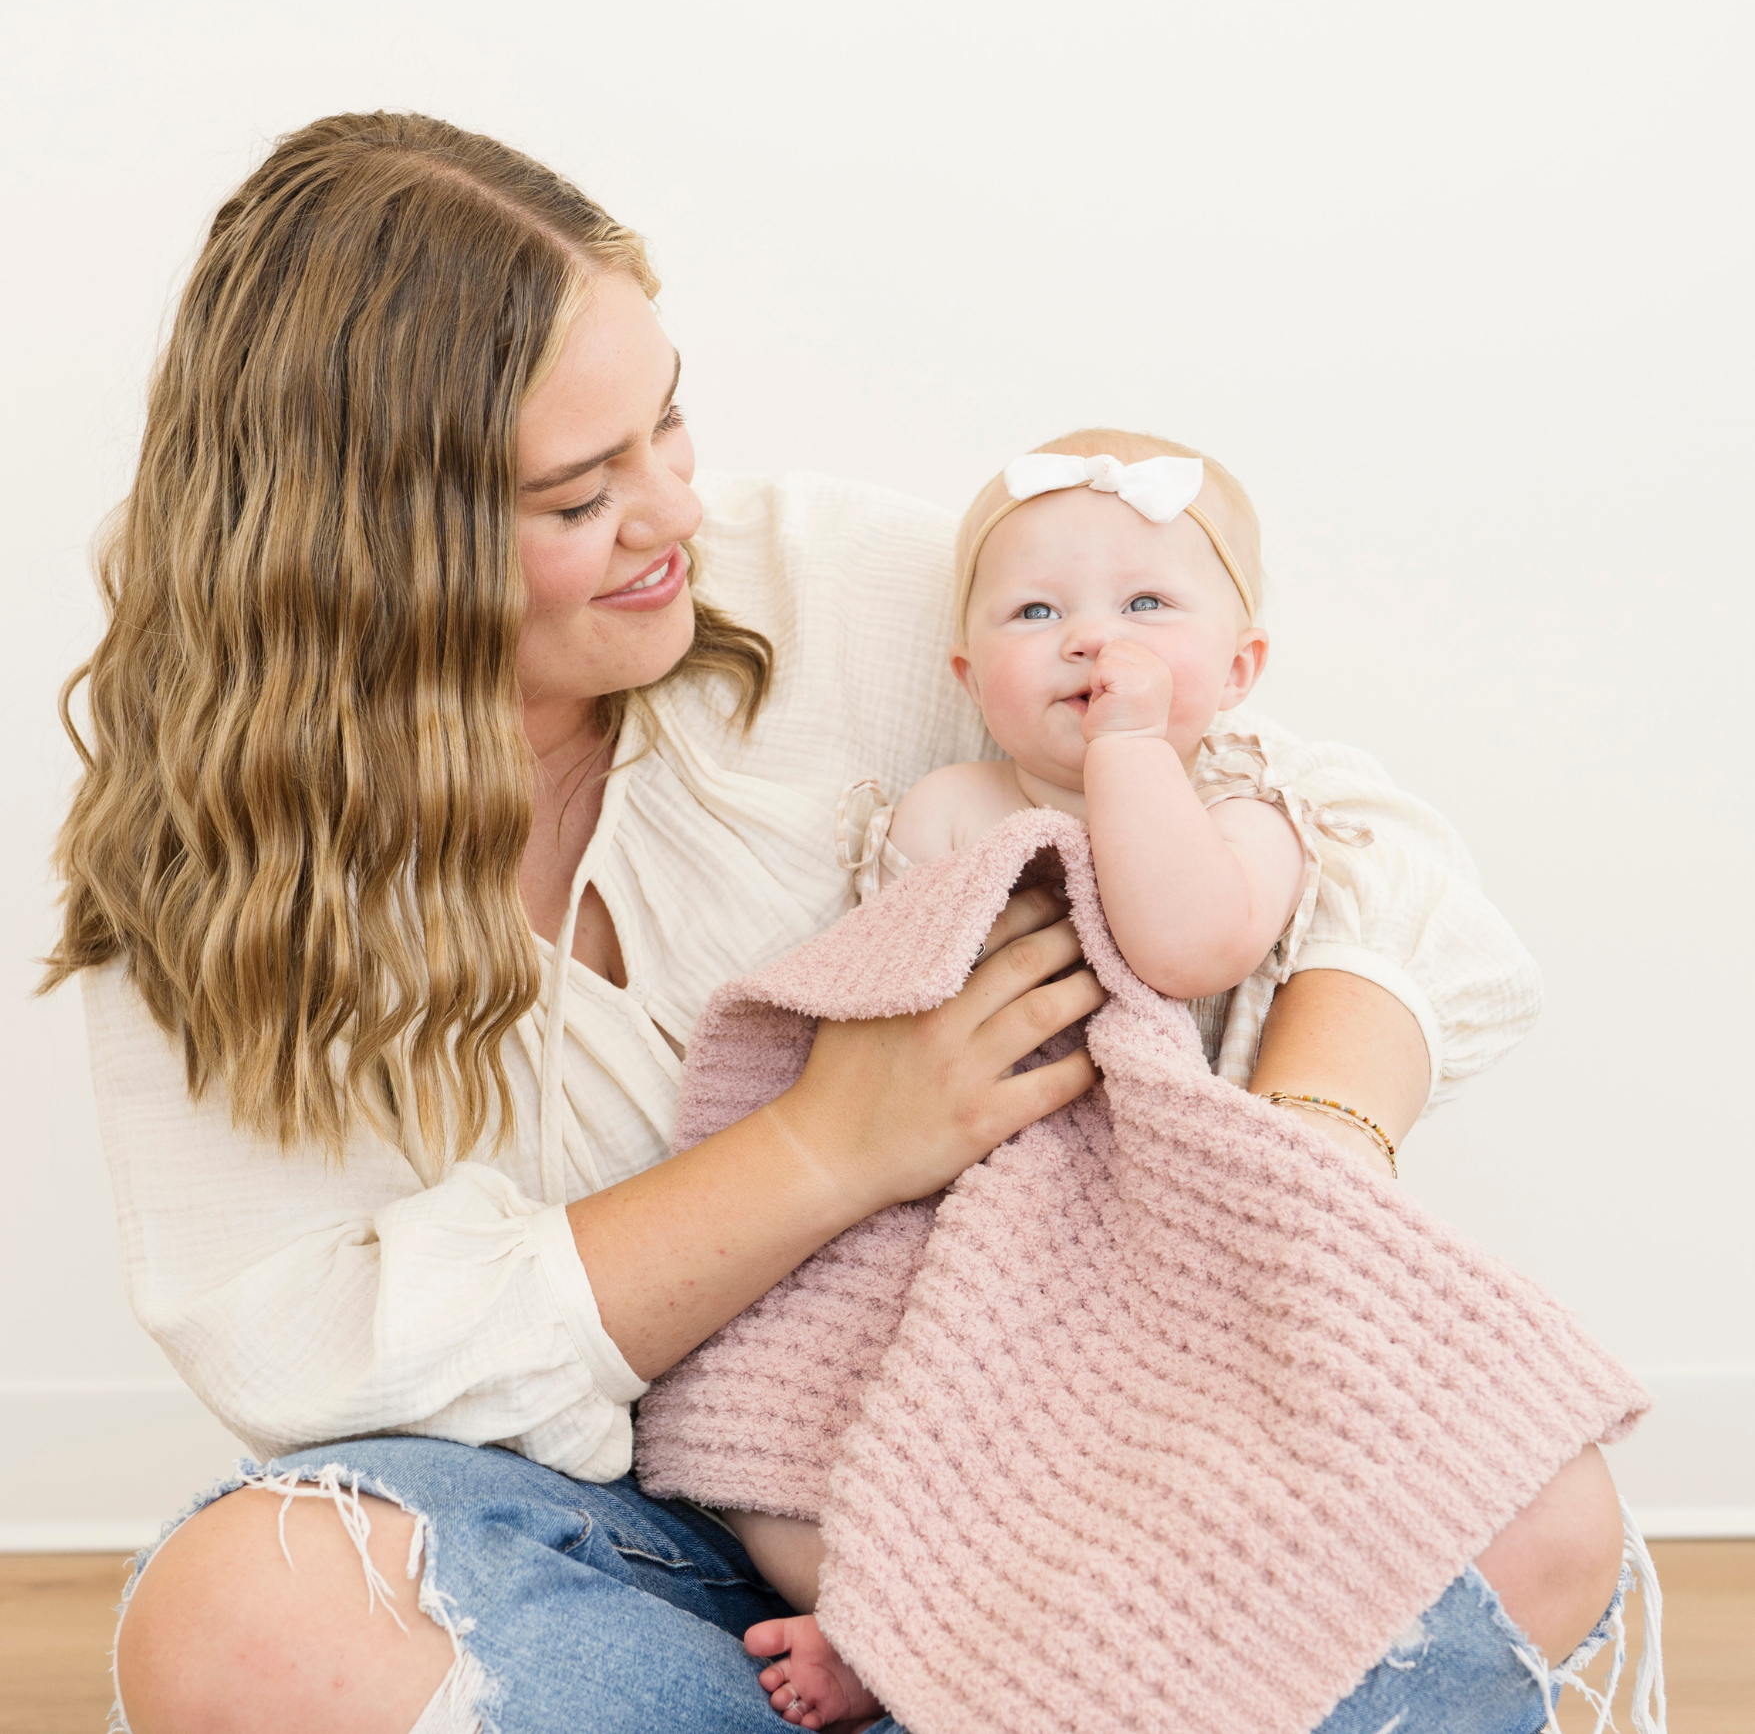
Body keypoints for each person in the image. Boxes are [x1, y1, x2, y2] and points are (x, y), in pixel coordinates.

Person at [44, 112, 1624, 1734]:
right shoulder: (210, 881)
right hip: (656, 1552)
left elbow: (1343, 837)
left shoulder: (838, 591)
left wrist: (1304, 1165)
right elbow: (306, 1362)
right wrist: (820, 1151)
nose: (673, 511)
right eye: (582, 494)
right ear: (371, 549)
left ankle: (1027, 1684)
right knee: (254, 1622)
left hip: (1067, 1479)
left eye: (668, 426)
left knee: (1529, 1513)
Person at [660, 431, 1647, 1730]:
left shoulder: (1248, 810)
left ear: (1239, 669)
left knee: (1209, 1469)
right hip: (961, 1211)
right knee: (797, 1433)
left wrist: (1128, 755)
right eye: (1035, 611)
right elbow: (897, 974)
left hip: (1159, 1233)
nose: (1089, 640)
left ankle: (1032, 1646)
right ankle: (886, 1618)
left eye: (1142, 606)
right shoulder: (950, 805)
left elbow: (1187, 943)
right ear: (968, 672)